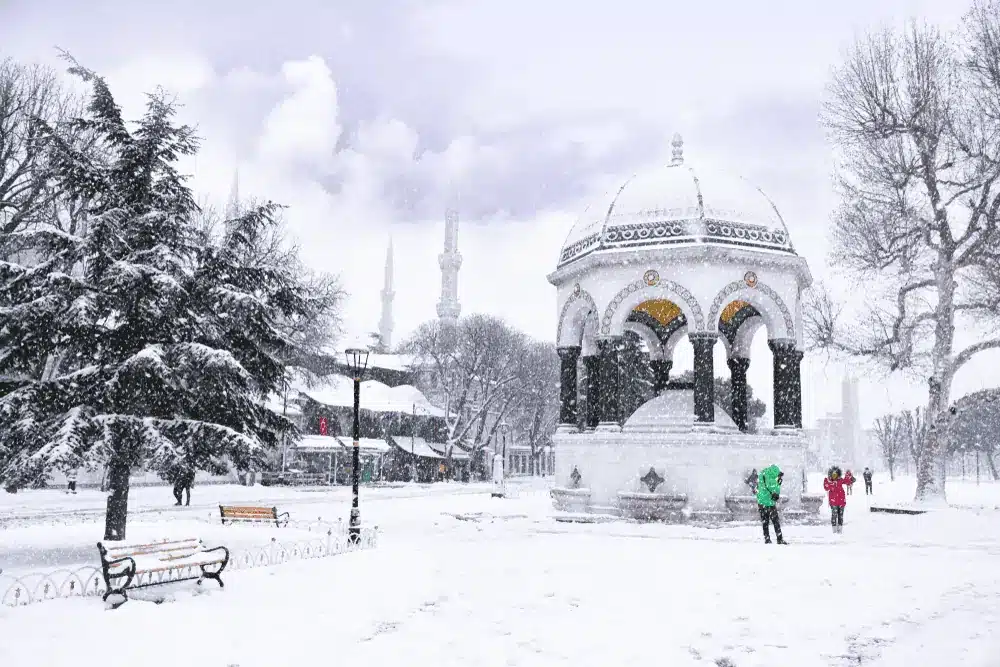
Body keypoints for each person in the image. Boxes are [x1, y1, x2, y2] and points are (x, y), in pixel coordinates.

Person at [756, 464, 787, 545]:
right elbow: (776, 493)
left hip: (761, 503)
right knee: (775, 522)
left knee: (765, 522)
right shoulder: (772, 480)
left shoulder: (762, 475)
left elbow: (758, 488)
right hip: (769, 504)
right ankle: (779, 539)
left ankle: (767, 539)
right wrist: (779, 484)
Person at [823, 466, 849, 533]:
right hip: (833, 502)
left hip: (841, 501)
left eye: (836, 474)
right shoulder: (829, 481)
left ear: (838, 474)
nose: (834, 476)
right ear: (831, 474)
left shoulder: (840, 480)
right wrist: (829, 483)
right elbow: (826, 487)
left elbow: (847, 481)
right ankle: (834, 530)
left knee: (840, 516)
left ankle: (840, 530)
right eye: (833, 474)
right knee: (834, 515)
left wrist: (849, 477)